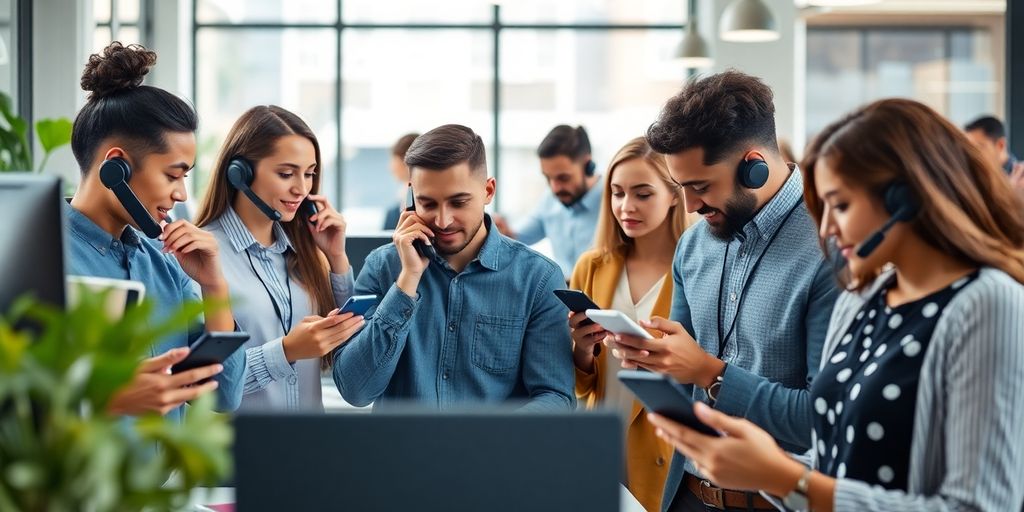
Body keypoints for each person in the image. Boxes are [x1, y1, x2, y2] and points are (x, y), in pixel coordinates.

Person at [649, 97, 1024, 512]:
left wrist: (779, 476)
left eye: (840, 205)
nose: (826, 227)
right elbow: (831, 466)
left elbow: (980, 506)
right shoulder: (863, 300)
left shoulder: (989, 302)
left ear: (906, 199)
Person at [608, 71, 840, 511]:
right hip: (686, 495)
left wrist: (710, 374)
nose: (691, 206)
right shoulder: (694, 245)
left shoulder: (828, 248)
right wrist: (655, 361)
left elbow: (820, 420)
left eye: (701, 186)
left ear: (754, 166)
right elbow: (682, 391)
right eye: (682, 188)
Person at [332, 124, 574, 411]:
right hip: (399, 456)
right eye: (427, 203)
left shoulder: (538, 278)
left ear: (488, 190)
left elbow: (555, 396)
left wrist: (484, 444)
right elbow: (356, 392)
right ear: (410, 199)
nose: (443, 220)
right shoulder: (383, 267)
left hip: (494, 454)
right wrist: (407, 282)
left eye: (458, 202)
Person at [66, 42, 243, 417]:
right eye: (172, 175)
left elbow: (223, 395)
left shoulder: (163, 262)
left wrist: (214, 286)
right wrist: (105, 400)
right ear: (116, 166)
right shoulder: (41, 257)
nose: (180, 193)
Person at [195, 105, 365, 411]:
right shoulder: (199, 256)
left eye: (309, 174)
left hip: (308, 448)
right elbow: (206, 387)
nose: (301, 188)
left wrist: (337, 258)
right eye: (286, 173)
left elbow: (350, 348)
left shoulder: (304, 252)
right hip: (240, 451)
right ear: (240, 173)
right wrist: (286, 351)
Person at [569, 137, 690, 511]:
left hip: (661, 445)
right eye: (617, 193)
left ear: (674, 195)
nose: (626, 206)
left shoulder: (694, 268)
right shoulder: (592, 265)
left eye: (642, 194)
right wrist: (582, 349)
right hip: (600, 437)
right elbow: (578, 383)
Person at [501, 125, 603, 280]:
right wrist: (502, 232)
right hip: (564, 295)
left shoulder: (615, 200)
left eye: (563, 178)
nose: (555, 188)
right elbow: (517, 238)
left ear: (588, 165)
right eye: (548, 178)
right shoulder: (549, 200)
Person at [383, 133, 420, 230]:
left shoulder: (422, 208)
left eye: (393, 160)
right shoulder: (396, 207)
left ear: (405, 161)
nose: (390, 167)